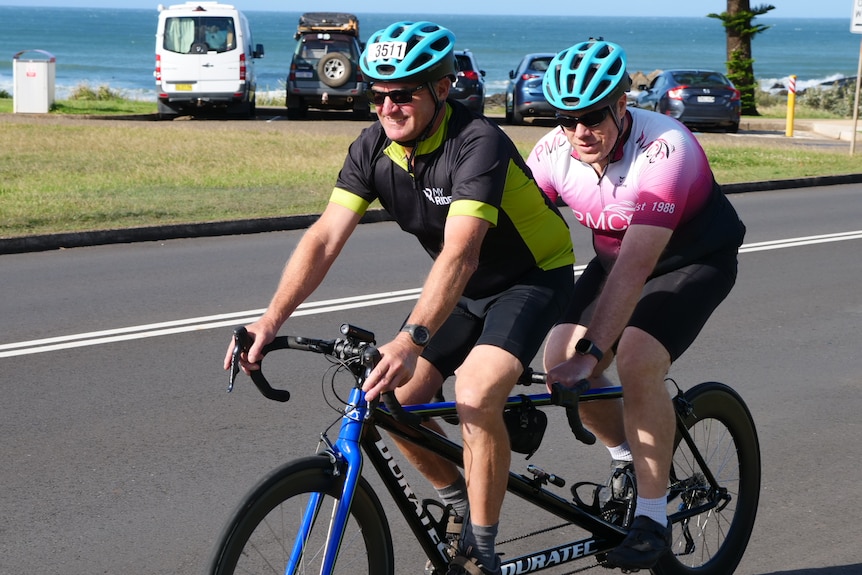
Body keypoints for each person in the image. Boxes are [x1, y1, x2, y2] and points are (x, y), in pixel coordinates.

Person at [224, 21, 576, 575]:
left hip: (532, 277)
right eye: (378, 94)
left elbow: (461, 252)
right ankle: (462, 500)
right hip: (464, 288)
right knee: (394, 397)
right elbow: (323, 238)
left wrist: (411, 338)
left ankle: (481, 550)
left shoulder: (476, 142)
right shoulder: (373, 147)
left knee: (476, 393)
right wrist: (271, 320)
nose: (389, 107)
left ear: (440, 89)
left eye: (404, 93)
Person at [527, 39, 745, 571]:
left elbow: (636, 267)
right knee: (560, 363)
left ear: (622, 105)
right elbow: (514, 239)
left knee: (637, 358)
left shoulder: (666, 147)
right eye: (565, 118)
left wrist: (594, 350)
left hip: (692, 258)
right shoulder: (554, 152)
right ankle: (630, 456)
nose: (580, 132)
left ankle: (652, 520)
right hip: (614, 261)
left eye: (593, 116)